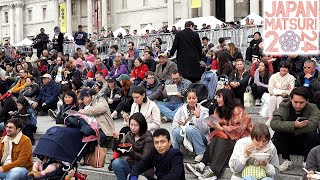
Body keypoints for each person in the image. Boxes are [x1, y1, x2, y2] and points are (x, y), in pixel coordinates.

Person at [186, 89, 253, 179]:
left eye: (219, 97)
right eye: (216, 96)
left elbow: (239, 129)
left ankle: (213, 171)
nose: (216, 99)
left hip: (241, 139)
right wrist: (209, 121)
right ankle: (201, 165)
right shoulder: (218, 109)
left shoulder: (238, 110)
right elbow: (213, 121)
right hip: (227, 138)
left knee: (222, 140)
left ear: (226, 98)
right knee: (216, 138)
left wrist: (222, 128)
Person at [270, 87, 320, 172]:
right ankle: (286, 160)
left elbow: (313, 125)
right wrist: (293, 125)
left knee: (312, 134)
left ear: (307, 101)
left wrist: (293, 128)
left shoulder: (313, 108)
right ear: (291, 99)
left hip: (305, 143)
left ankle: (307, 161)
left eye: (301, 102)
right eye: (295, 102)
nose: (298, 105)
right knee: (278, 133)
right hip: (288, 142)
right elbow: (274, 123)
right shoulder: (284, 105)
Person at [112, 113, 154, 180]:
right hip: (130, 165)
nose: (133, 128)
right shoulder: (129, 134)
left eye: (136, 125)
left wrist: (131, 151)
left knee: (131, 176)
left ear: (141, 125)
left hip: (143, 169)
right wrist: (116, 139)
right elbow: (117, 149)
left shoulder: (148, 137)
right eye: (131, 125)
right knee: (116, 162)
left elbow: (146, 158)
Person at [172, 89, 209, 162]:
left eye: (194, 98)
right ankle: (175, 153)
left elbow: (206, 129)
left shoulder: (204, 110)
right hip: (185, 135)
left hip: (201, 137)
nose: (192, 100)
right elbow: (174, 126)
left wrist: (198, 117)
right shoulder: (181, 110)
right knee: (176, 131)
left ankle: (201, 152)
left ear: (197, 99)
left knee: (189, 129)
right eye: (189, 98)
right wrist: (180, 125)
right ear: (186, 99)